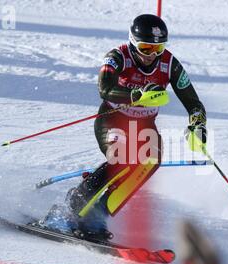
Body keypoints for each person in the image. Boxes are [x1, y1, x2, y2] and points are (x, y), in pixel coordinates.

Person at [39, 14, 207, 241]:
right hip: (114, 119)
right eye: (146, 48)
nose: (152, 55)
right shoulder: (117, 57)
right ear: (132, 41)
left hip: (144, 126)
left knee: (149, 163)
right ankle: (67, 210)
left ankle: (96, 215)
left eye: (158, 48)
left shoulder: (169, 64)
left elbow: (194, 103)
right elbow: (105, 89)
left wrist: (197, 125)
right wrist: (137, 95)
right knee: (122, 157)